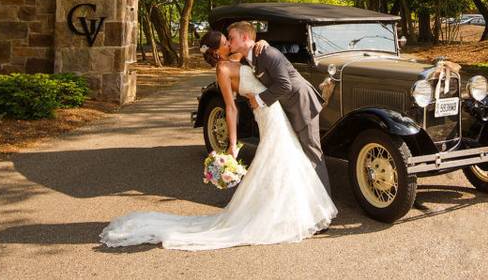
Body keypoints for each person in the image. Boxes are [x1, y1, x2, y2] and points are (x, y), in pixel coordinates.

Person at [98, 30, 336, 250]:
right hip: (266, 114)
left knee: (288, 160)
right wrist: (232, 145)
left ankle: (300, 209)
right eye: (225, 42)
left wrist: (263, 42)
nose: (229, 43)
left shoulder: (242, 56)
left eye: (230, 39)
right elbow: (230, 109)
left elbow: (256, 53)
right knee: (281, 160)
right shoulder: (223, 69)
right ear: (216, 51)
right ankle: (308, 212)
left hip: (275, 109)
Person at [226, 20, 331, 195]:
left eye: (231, 37)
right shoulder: (248, 57)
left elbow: (285, 85)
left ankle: (325, 205)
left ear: (244, 37)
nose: (229, 41)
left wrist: (258, 100)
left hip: (302, 104)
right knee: (298, 154)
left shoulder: (268, 53)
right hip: (285, 107)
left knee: (312, 152)